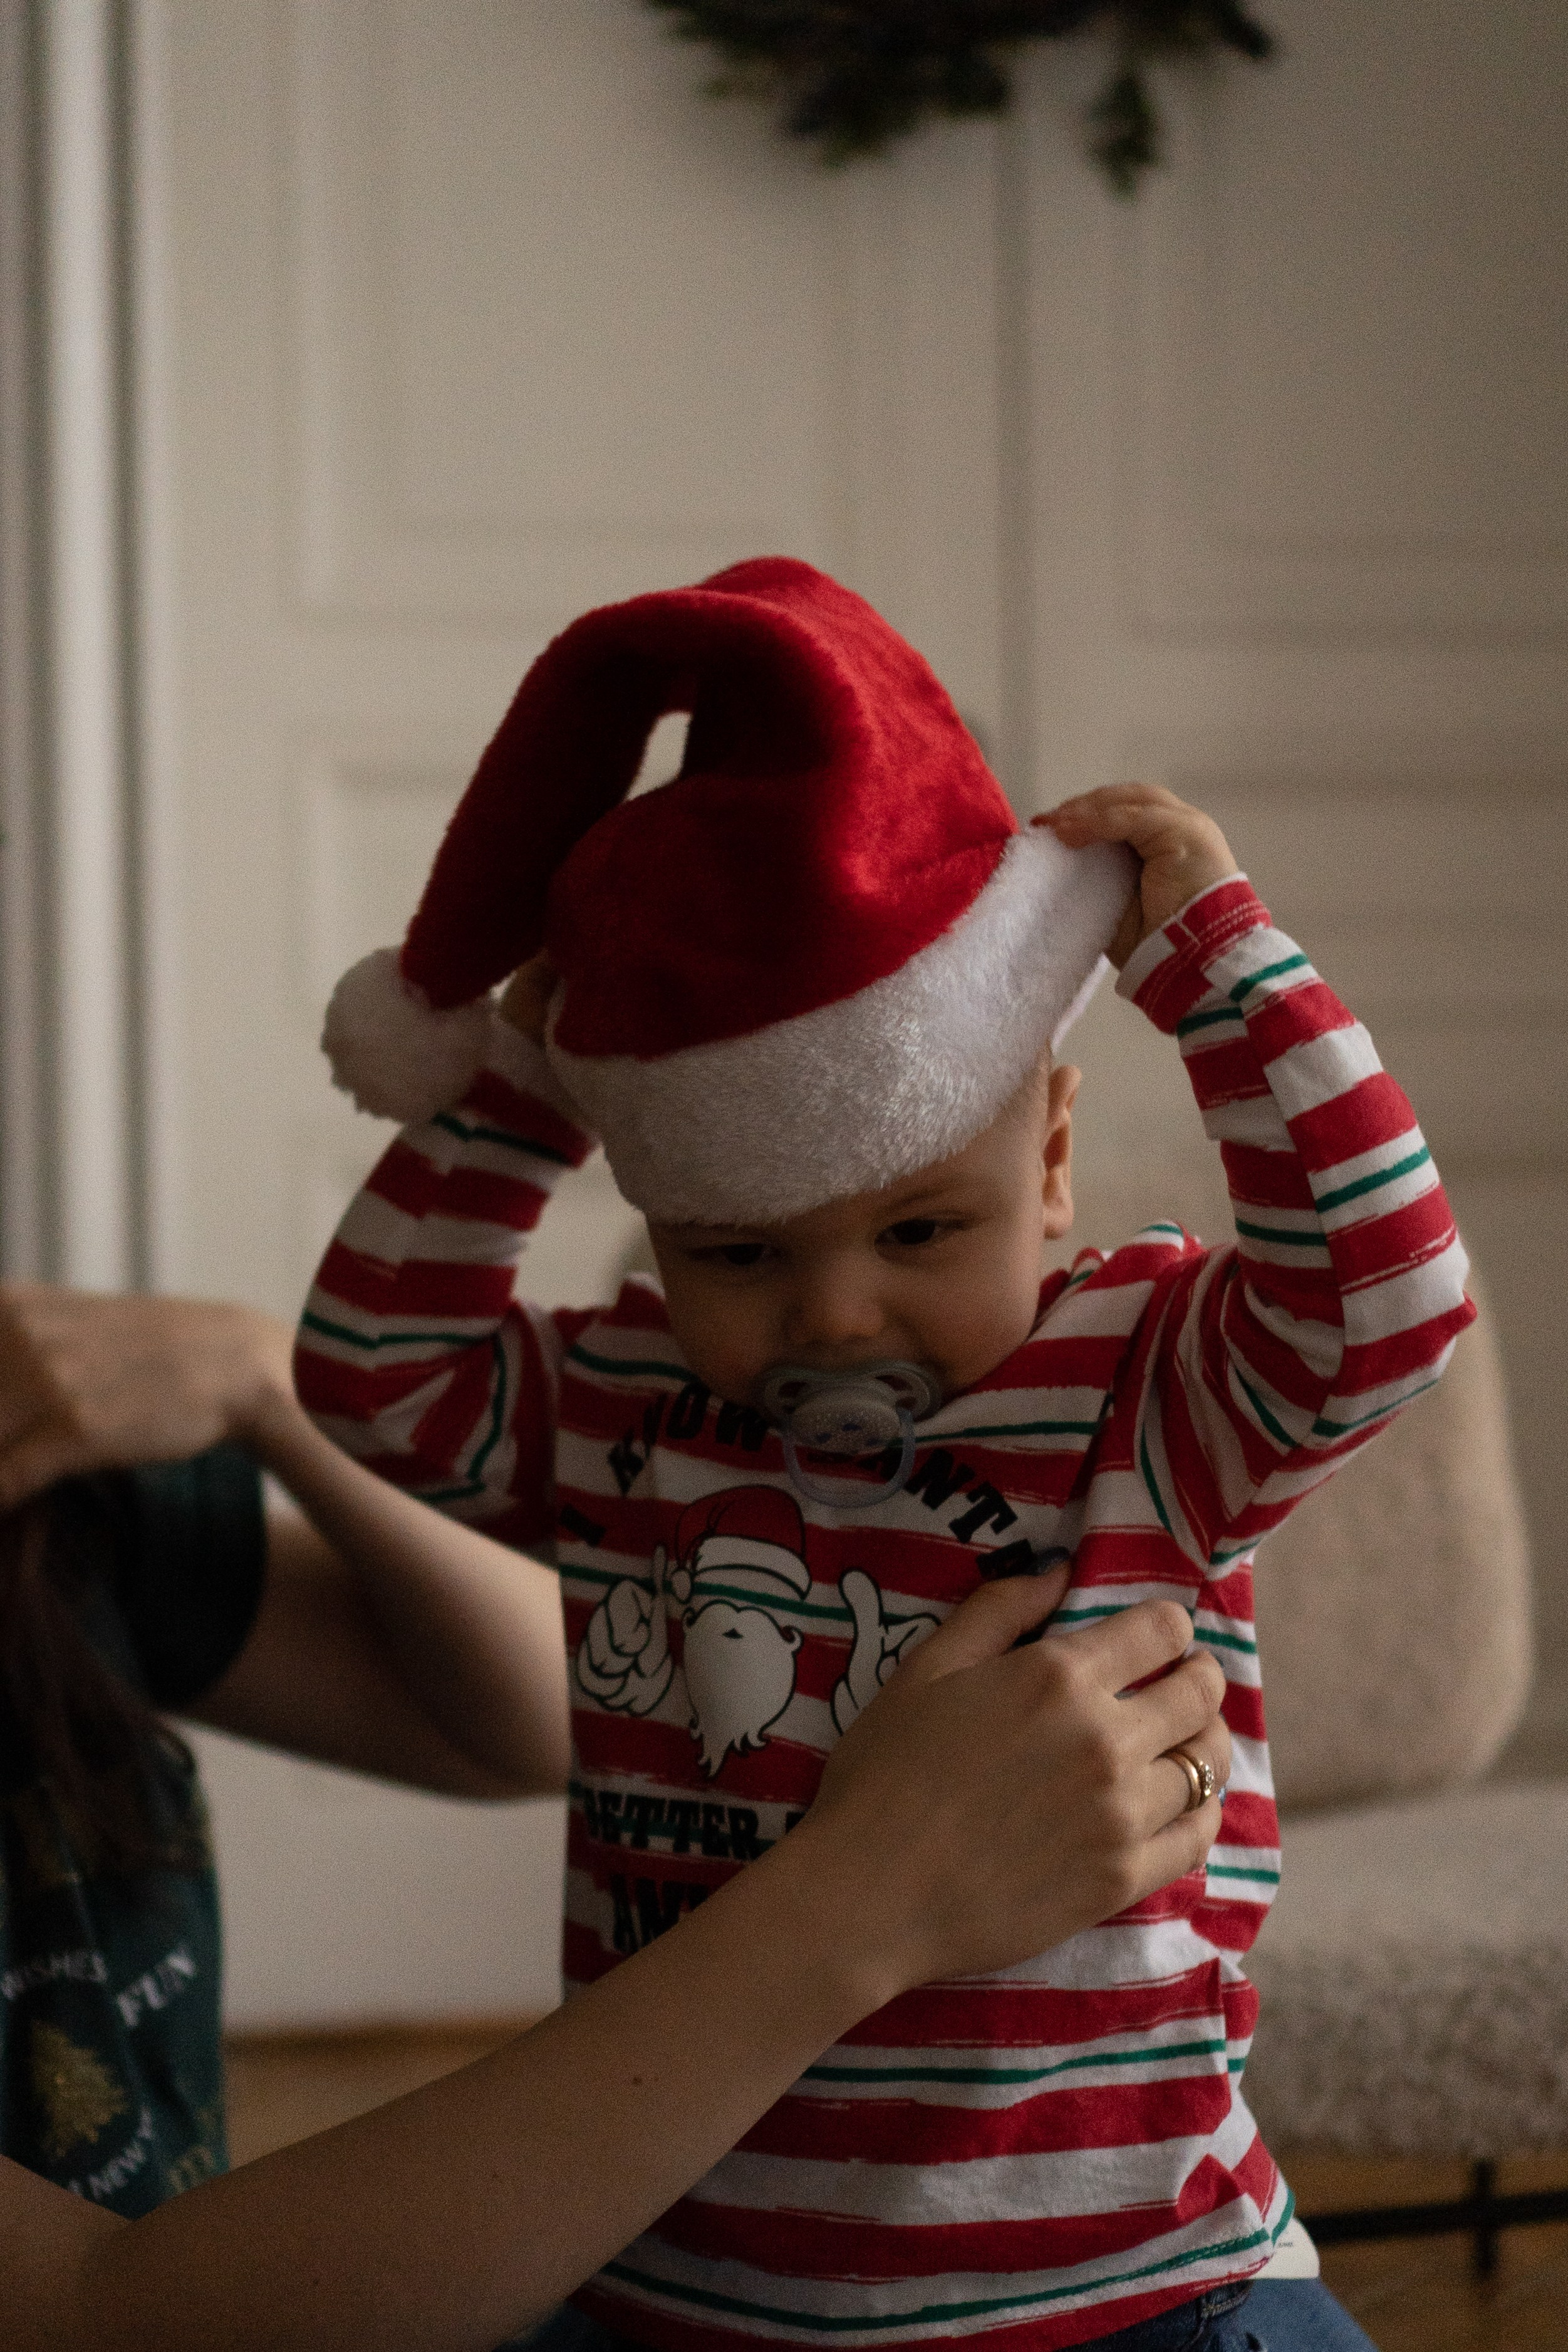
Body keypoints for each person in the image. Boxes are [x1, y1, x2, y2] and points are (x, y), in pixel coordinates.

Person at [297, 561, 1461, 2349]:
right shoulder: (629, 1406)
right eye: (743, 1254)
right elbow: (376, 1374)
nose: (834, 1317)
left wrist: (1220, 965)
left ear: (1052, 1152)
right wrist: (532, 1086)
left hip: (1132, 2287)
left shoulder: (1142, 1381)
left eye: (922, 1233)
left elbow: (1389, 1296)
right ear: (664, 1221)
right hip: (679, 2280)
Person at [0, 1279, 1234, 2352]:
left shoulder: (48, 1511)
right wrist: (869, 1891)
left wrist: (284, 1396)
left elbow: (560, 1704)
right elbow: (101, 2314)